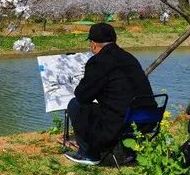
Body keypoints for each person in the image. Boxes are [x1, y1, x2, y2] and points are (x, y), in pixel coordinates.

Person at [65, 22, 155, 165]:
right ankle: (130, 152)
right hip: (149, 118)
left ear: (93, 44)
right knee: (120, 104)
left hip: (122, 122)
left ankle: (89, 154)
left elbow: (82, 95)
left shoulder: (98, 62)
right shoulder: (129, 58)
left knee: (76, 104)